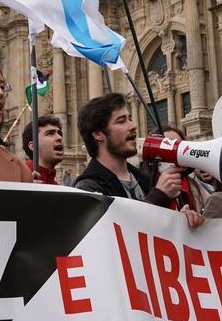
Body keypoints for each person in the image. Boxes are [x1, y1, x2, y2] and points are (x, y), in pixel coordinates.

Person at [72, 93, 204, 228]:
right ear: (98, 134)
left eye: (130, 118)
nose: (133, 126)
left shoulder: (144, 179)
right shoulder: (88, 188)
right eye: (121, 121)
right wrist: (158, 197)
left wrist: (179, 221)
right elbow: (117, 234)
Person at [22, 114, 64, 184]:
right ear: (33, 146)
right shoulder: (18, 179)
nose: (59, 138)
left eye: (60, 133)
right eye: (50, 133)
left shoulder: (55, 185)